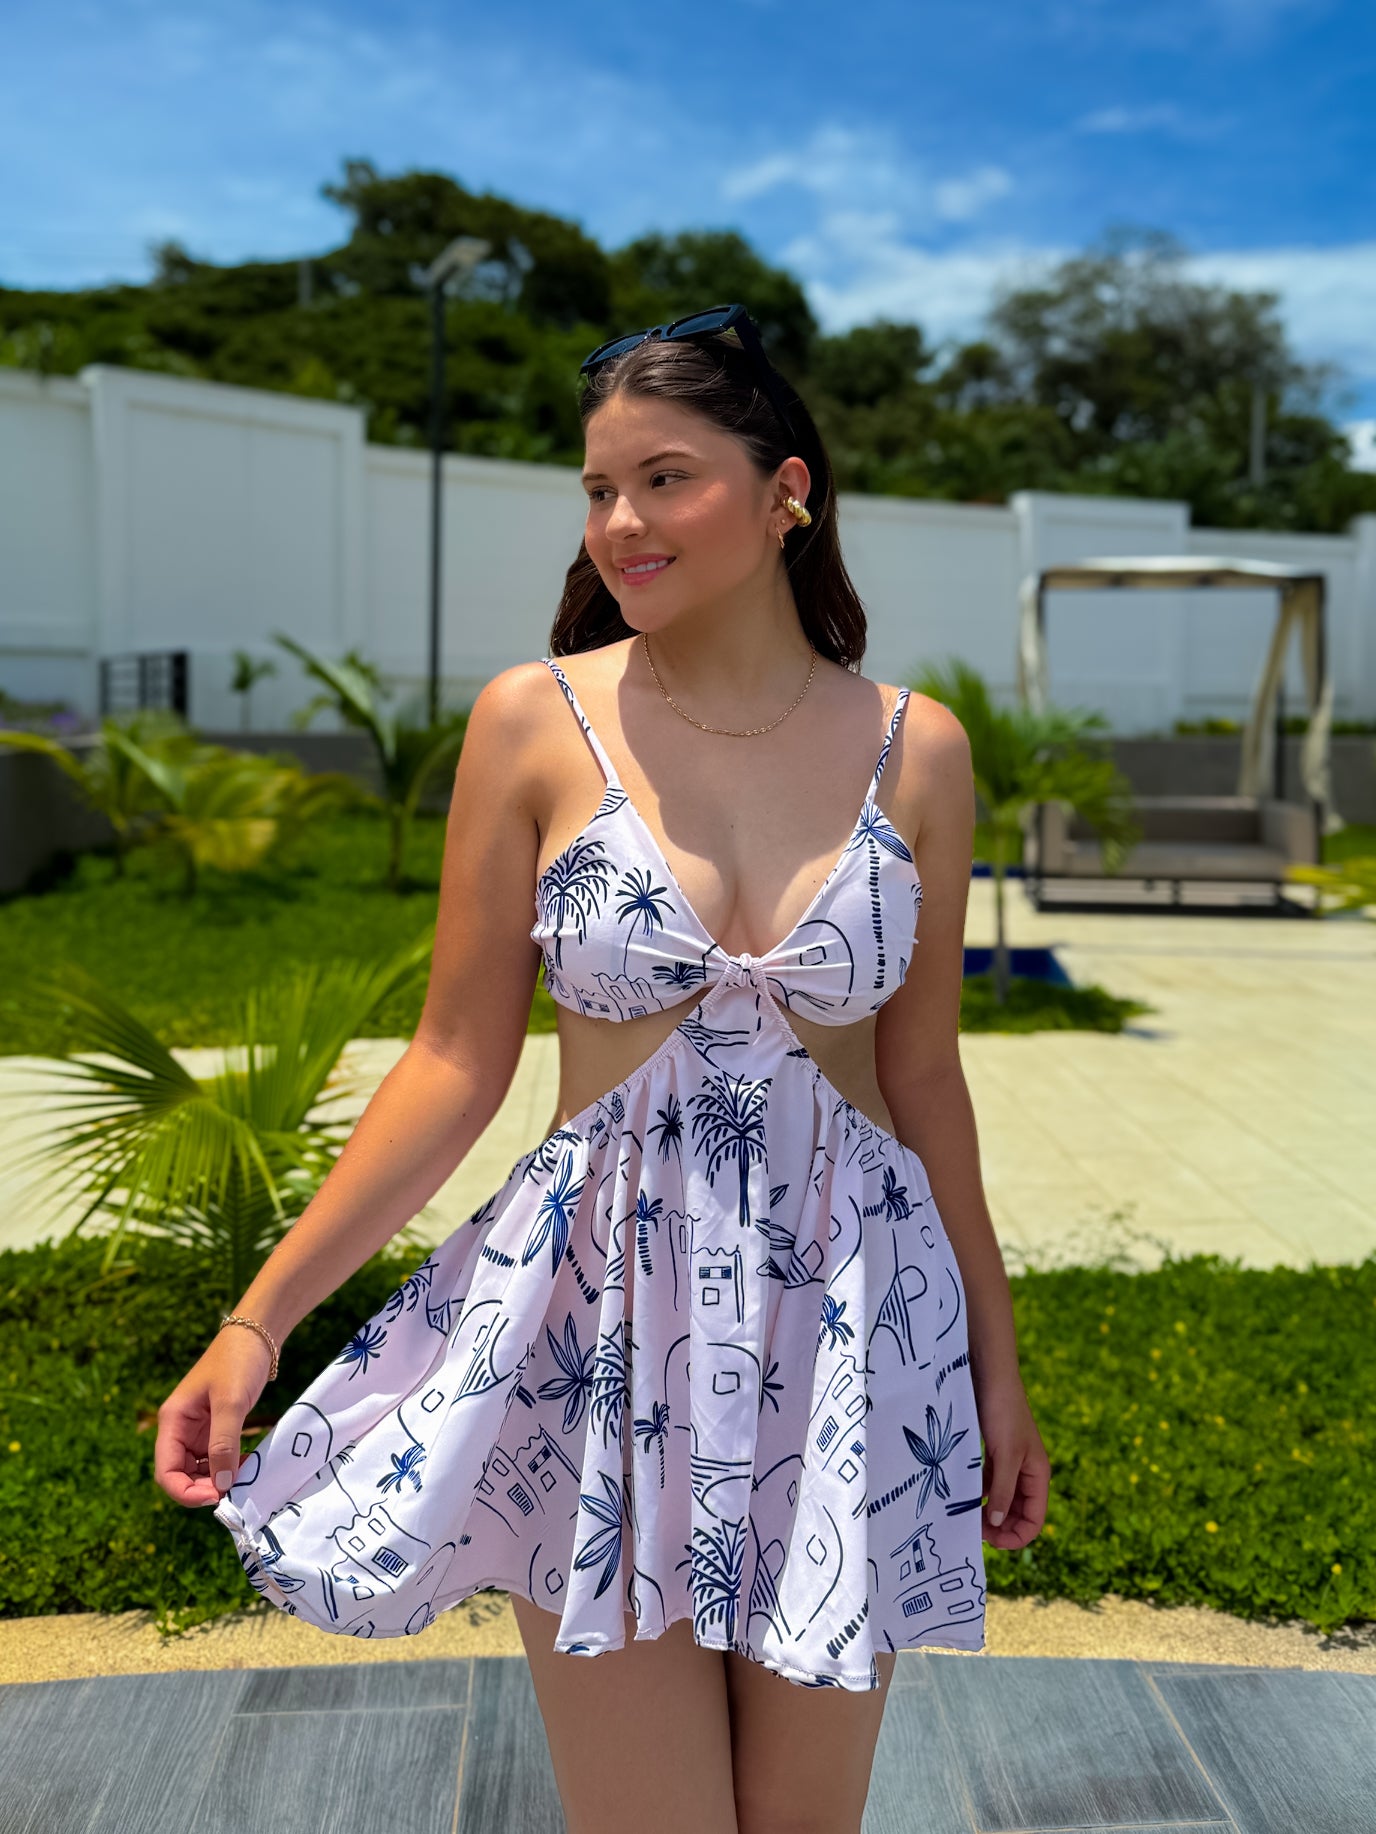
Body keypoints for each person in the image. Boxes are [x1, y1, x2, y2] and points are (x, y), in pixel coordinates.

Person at [156, 304, 1049, 1834]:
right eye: (597, 488)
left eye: (665, 477)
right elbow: (452, 1060)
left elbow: (925, 1080)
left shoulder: (923, 750)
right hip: (602, 1322)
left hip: (842, 1323)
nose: (621, 521)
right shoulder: (534, 720)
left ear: (787, 492)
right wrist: (261, 1320)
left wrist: (995, 1361)